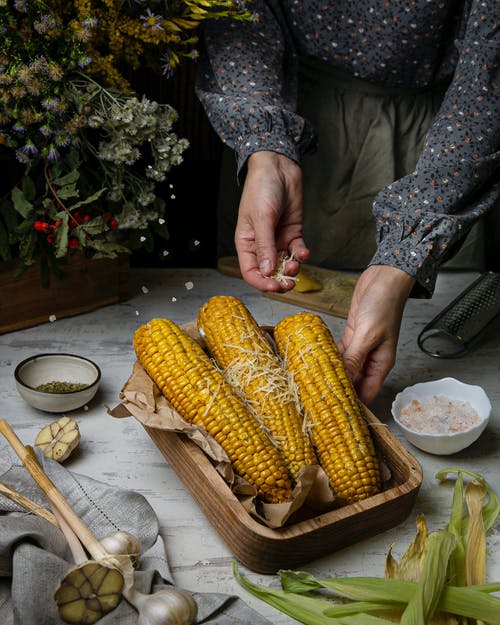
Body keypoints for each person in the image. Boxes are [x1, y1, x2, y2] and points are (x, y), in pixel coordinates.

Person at [195, 0, 500, 404]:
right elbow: (239, 11)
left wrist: (403, 258)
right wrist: (266, 147)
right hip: (292, 122)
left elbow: (487, 76)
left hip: (446, 151)